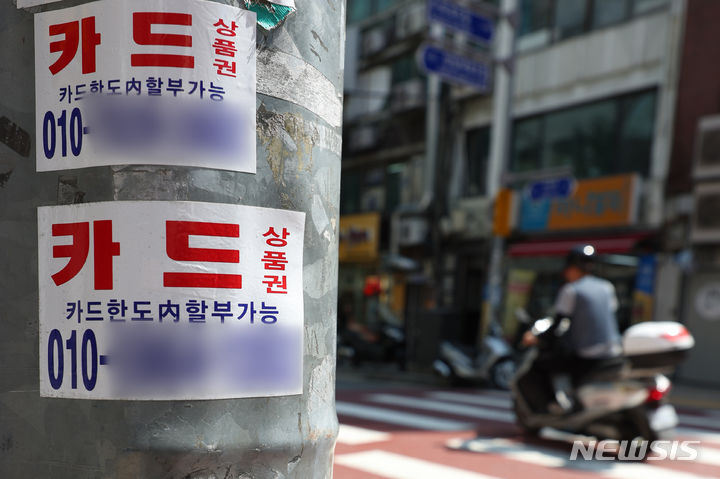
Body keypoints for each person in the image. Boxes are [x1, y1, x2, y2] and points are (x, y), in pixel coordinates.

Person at [522, 245, 624, 413]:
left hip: (587, 355)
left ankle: (554, 405)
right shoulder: (607, 287)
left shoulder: (571, 290)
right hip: (614, 352)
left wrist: (537, 338)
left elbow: (557, 325)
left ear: (571, 268)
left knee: (541, 367)